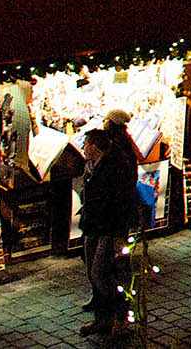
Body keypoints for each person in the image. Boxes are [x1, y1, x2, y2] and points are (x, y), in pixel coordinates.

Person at [78, 126, 138, 336]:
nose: (83, 148)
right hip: (92, 225)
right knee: (92, 275)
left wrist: (118, 233)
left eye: (86, 144)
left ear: (95, 146)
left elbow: (121, 199)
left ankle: (121, 316)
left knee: (101, 274)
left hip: (109, 228)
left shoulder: (116, 164)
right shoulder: (92, 164)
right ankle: (102, 319)